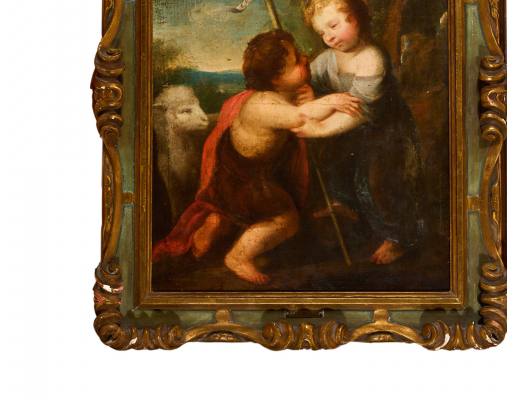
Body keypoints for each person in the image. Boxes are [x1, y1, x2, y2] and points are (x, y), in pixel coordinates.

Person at [152, 30, 363, 284]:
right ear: (276, 78)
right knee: (286, 220)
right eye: (296, 60)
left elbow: (299, 107)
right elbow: (300, 117)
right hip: (244, 179)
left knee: (242, 211)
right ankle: (239, 256)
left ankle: (216, 222)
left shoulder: (280, 94)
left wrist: (307, 97)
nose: (306, 58)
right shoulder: (262, 105)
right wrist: (332, 101)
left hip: (252, 172)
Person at [293, 0, 421, 264]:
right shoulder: (326, 59)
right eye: (321, 32)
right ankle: (346, 204)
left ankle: (398, 238)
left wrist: (318, 129)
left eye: (334, 25)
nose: (328, 36)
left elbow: (361, 111)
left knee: (378, 179)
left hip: (385, 128)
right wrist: (308, 92)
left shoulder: (371, 57)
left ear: (357, 18)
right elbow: (311, 85)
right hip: (352, 129)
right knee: (332, 157)